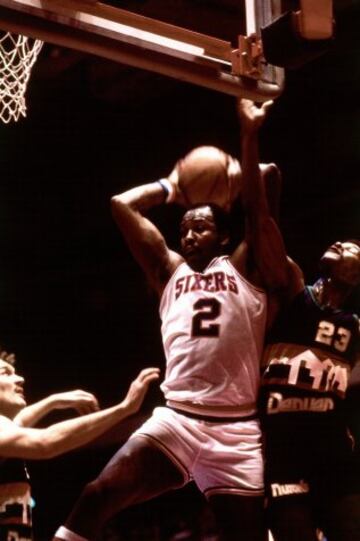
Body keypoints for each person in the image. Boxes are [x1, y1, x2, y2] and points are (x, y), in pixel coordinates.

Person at [52, 98, 289, 541]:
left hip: (236, 430)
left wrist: (247, 144)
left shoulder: (247, 266)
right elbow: (122, 204)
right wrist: (173, 186)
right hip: (178, 419)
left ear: (223, 235)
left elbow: (269, 182)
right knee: (96, 495)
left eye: (199, 227)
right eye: (183, 229)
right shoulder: (168, 272)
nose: (188, 234)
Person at [260, 235, 360, 541]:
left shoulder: (354, 326)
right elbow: (264, 231)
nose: (340, 244)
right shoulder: (292, 288)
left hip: (333, 457)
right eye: (339, 242)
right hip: (283, 458)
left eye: (352, 248)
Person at [0, 349, 159, 540]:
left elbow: (18, 425)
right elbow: (44, 442)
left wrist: (53, 401)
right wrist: (123, 409)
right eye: (5, 373)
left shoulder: (7, 434)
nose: (19, 378)